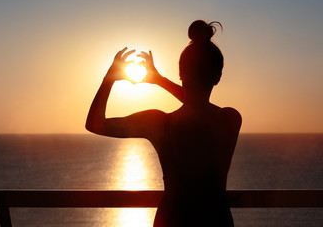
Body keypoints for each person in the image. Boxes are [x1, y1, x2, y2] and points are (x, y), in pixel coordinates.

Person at [86, 20, 242, 227]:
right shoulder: (230, 119)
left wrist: (110, 78)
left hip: (171, 220)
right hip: (216, 220)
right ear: (218, 76)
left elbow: (95, 124)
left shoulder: (158, 123)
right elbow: (195, 102)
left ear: (181, 74)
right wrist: (159, 80)